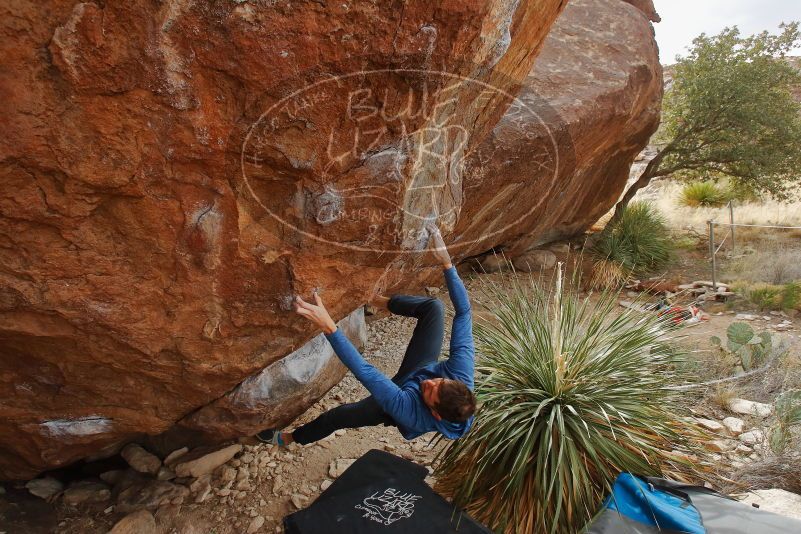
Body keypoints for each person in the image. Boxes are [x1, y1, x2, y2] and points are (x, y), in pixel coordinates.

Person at [255, 224, 476, 447]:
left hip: (402, 397)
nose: (429, 382)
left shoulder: (411, 413)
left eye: (430, 390)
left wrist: (329, 326)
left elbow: (364, 370)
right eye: (439, 381)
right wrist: (447, 263)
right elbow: (464, 312)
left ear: (435, 413)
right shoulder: (461, 371)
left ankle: (289, 438)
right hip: (420, 367)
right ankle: (376, 300)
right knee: (434, 308)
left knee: (339, 416)